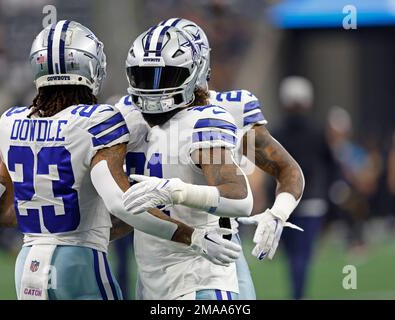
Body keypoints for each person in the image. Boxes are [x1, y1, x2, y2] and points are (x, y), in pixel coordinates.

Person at [0, 20, 241, 300]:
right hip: (79, 261)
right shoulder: (97, 121)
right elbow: (122, 204)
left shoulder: (11, 123)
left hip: (27, 263)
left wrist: (47, 218)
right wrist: (194, 237)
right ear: (91, 67)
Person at [118, 18, 305, 300]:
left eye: (165, 75)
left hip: (211, 260)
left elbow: (286, 168)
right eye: (144, 75)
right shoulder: (124, 113)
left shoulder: (227, 109)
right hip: (151, 267)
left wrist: (278, 213)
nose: (153, 88)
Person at [272, 76, 334, 299]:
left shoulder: (277, 133)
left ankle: (297, 295)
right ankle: (298, 296)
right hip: (312, 202)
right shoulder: (318, 132)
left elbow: (272, 169)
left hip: (285, 202)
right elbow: (330, 166)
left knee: (292, 257)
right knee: (302, 256)